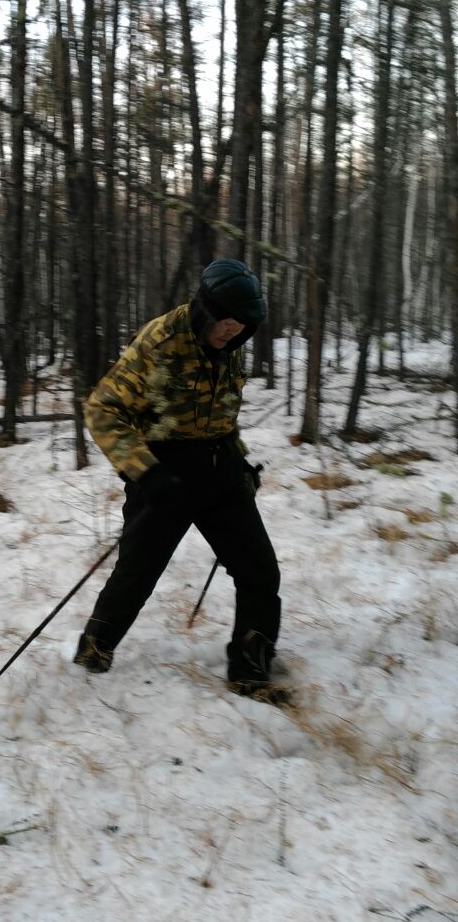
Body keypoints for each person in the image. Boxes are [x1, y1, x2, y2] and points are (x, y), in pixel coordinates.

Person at [74, 258, 285, 702]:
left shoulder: (230, 345)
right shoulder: (159, 341)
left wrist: (240, 461)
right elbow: (102, 409)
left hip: (219, 470)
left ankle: (251, 671)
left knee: (259, 571)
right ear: (206, 310)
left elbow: (222, 413)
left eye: (242, 326)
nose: (234, 332)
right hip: (163, 475)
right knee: (136, 575)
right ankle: (93, 654)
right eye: (227, 322)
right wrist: (145, 474)